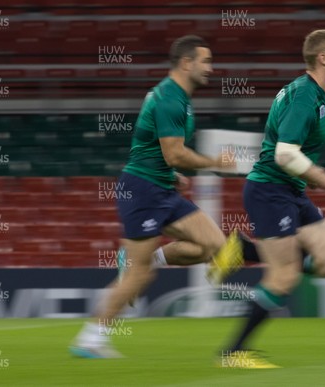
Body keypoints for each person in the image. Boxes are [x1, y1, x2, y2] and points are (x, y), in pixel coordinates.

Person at [70, 35, 243, 358]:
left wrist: (171, 173)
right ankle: (90, 338)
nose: (211, 68)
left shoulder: (178, 98)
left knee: (217, 246)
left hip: (160, 186)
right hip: (143, 190)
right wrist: (214, 163)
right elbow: (175, 153)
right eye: (205, 61)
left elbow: (158, 151)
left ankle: (153, 258)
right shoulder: (169, 98)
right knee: (140, 275)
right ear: (187, 62)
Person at [219, 29, 325, 368]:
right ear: (323, 58)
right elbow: (284, 154)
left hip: (291, 192)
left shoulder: (315, 95)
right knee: (284, 277)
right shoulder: (305, 97)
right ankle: (233, 353)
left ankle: (244, 249)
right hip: (270, 191)